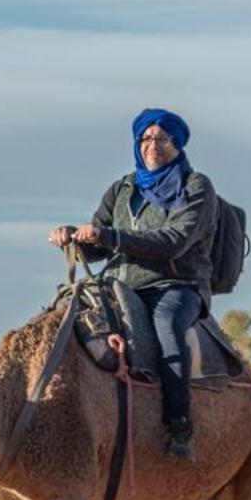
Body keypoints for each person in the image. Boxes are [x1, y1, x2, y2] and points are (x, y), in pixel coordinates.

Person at [51, 107, 220, 459]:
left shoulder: (196, 187)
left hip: (175, 285)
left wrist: (109, 236)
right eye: (145, 138)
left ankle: (179, 426)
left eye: (161, 138)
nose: (152, 145)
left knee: (167, 331)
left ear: (177, 143)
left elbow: (174, 240)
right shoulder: (123, 188)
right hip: (120, 286)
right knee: (62, 318)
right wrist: (75, 238)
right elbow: (98, 248)